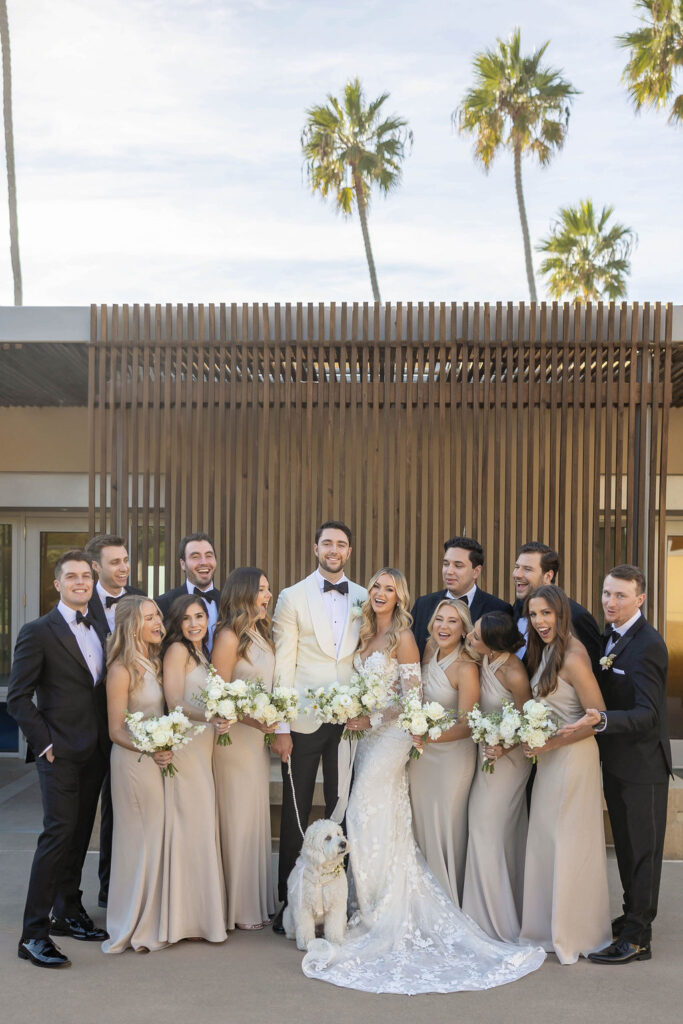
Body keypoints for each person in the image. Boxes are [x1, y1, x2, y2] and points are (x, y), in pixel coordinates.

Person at [301, 568, 545, 993]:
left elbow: (409, 702)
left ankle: (377, 909)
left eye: (389, 588)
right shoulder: (371, 636)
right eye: (375, 586)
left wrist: (371, 717)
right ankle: (366, 903)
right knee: (382, 818)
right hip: (369, 736)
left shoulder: (406, 638)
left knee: (361, 811)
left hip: (394, 736)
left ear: (401, 596)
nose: (379, 593)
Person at [558, 565, 672, 965]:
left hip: (643, 769)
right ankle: (631, 918)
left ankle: (639, 939)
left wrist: (601, 721)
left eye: (621, 596)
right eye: (607, 593)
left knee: (643, 852)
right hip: (617, 765)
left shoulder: (648, 645)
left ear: (640, 599)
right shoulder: (611, 635)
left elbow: (650, 715)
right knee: (624, 848)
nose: (610, 602)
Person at [8, 550, 109, 969]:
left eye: (86, 576)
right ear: (58, 584)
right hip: (60, 753)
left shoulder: (102, 625)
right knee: (57, 836)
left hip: (96, 750)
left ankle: (68, 911)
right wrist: (46, 744)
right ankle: (33, 935)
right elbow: (18, 698)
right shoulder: (38, 631)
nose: (80, 582)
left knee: (80, 834)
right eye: (72, 577)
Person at [270, 521, 367, 934]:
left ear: (349, 550)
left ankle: (336, 902)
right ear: (315, 548)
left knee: (342, 809)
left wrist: (365, 710)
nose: (334, 549)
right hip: (303, 722)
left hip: (349, 724)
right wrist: (280, 725)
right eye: (327, 543)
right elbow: (283, 665)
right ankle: (288, 904)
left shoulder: (364, 596)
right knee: (296, 812)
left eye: (341, 544)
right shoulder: (292, 596)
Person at [518, 585, 611, 964]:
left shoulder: (573, 656)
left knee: (568, 843)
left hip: (573, 759)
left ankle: (573, 931)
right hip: (550, 759)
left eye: (546, 614)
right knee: (546, 841)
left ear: (561, 613)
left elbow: (597, 719)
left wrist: (550, 745)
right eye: (534, 615)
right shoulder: (547, 651)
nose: (540, 621)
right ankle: (544, 928)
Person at [102, 596, 170, 954]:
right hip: (132, 763)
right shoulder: (121, 670)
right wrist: (152, 748)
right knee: (137, 842)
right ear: (132, 626)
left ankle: (150, 917)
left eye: (157, 614)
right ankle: (130, 922)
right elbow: (116, 730)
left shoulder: (154, 663)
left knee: (154, 838)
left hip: (153, 761)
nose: (158, 621)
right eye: (149, 617)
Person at [158, 595, 227, 944]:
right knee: (190, 825)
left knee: (200, 825)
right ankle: (185, 918)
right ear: (177, 624)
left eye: (199, 616)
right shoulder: (177, 651)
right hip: (186, 746)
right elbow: (174, 702)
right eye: (186, 619)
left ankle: (201, 915)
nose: (194, 623)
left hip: (204, 746)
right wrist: (210, 717)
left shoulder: (202, 652)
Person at [212, 568, 277, 930]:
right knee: (236, 817)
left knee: (253, 816)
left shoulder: (261, 633)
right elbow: (217, 696)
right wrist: (255, 721)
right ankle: (237, 907)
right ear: (244, 593)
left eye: (269, 589)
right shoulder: (228, 636)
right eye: (262, 590)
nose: (268, 595)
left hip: (256, 740)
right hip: (234, 741)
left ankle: (254, 900)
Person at [85, 533, 146, 909]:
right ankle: (84, 897)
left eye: (125, 560)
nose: (123, 568)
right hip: (89, 726)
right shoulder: (79, 603)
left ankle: (120, 890)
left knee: (124, 809)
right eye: (114, 562)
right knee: (88, 817)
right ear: (96, 567)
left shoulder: (139, 599)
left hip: (132, 722)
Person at [462, 612, 532, 942]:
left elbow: (528, 722)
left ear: (492, 641)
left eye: (476, 636)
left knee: (486, 828)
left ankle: (496, 923)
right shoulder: (484, 660)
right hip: (486, 756)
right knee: (488, 832)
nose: (470, 639)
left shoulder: (514, 672)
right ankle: (482, 914)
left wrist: (504, 747)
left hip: (509, 761)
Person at [408, 598, 479, 905]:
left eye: (452, 621)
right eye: (439, 619)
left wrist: (428, 736)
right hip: (422, 758)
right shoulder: (427, 651)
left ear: (464, 629)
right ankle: (425, 901)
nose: (444, 626)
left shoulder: (465, 667)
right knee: (421, 824)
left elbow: (469, 725)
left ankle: (449, 899)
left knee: (446, 825)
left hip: (451, 758)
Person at [412, 536, 512, 658]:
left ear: (476, 572)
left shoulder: (498, 609)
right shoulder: (422, 605)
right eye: (446, 564)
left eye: (458, 566)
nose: (449, 571)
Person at [512, 542, 601, 676]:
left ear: (548, 576)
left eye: (527, 569)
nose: (517, 574)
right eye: (517, 567)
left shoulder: (577, 617)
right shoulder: (518, 606)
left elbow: (592, 675)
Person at [155, 533, 220, 651]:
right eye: (195, 557)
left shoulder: (230, 602)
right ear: (183, 564)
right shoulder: (163, 604)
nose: (204, 562)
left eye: (209, 556)